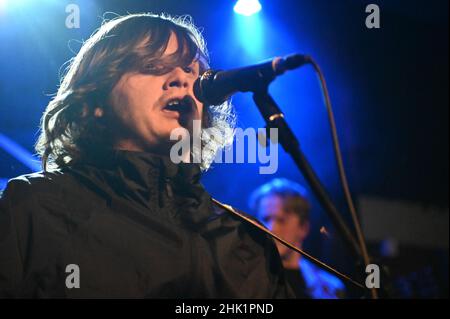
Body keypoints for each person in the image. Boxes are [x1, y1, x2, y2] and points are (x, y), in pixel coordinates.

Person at [0, 13, 294, 298]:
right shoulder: (31, 207)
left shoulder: (243, 239)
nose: (181, 79)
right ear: (96, 99)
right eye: (153, 65)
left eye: (193, 71)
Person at [249, 178, 346, 299]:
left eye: (281, 220)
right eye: (265, 219)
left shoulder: (330, 288)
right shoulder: (243, 277)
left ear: (303, 228)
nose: (271, 228)